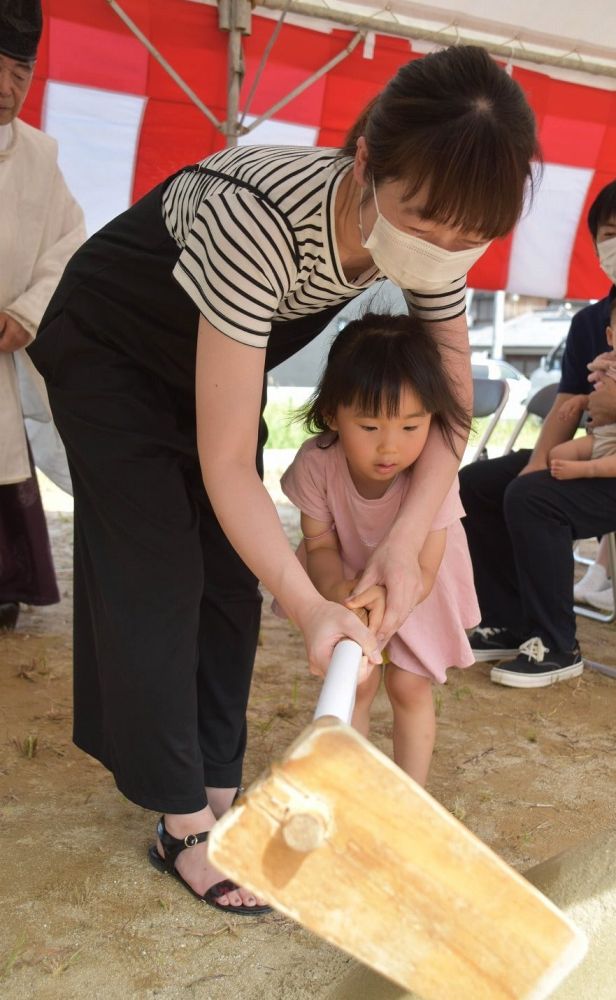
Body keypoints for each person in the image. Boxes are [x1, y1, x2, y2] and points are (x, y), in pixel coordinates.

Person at [27, 45, 537, 913]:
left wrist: (408, 545)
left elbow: (449, 412)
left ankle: (216, 787)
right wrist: (309, 603)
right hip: (112, 350)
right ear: (369, 160)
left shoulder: (436, 246)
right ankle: (180, 821)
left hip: (215, 354)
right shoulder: (254, 218)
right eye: (424, 223)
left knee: (229, 577)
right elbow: (232, 465)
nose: (442, 253)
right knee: (159, 566)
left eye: (468, 238)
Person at [277, 313, 480, 786]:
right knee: (355, 683)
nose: (391, 447)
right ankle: (353, 791)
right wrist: (336, 589)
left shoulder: (432, 473)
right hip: (349, 584)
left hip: (419, 592)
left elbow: (426, 567)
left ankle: (411, 793)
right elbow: (319, 543)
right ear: (332, 413)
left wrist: (392, 598)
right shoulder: (317, 463)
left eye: (412, 427)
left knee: (409, 685)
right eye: (369, 427)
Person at [460, 180, 616, 688]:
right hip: (597, 448)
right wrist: (533, 463)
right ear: (595, 244)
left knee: (534, 498)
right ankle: (506, 621)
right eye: (611, 233)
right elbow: (571, 402)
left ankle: (555, 644)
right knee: (480, 483)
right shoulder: (593, 321)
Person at [0, 0, 85, 631]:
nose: (8, 88)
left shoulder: (38, 156)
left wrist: (28, 312)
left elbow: (70, 245)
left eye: (21, 72)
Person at [549, 297, 616, 480]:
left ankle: (589, 469)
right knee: (556, 455)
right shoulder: (607, 367)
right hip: (600, 436)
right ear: (610, 336)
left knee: (526, 492)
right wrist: (581, 401)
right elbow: (598, 399)